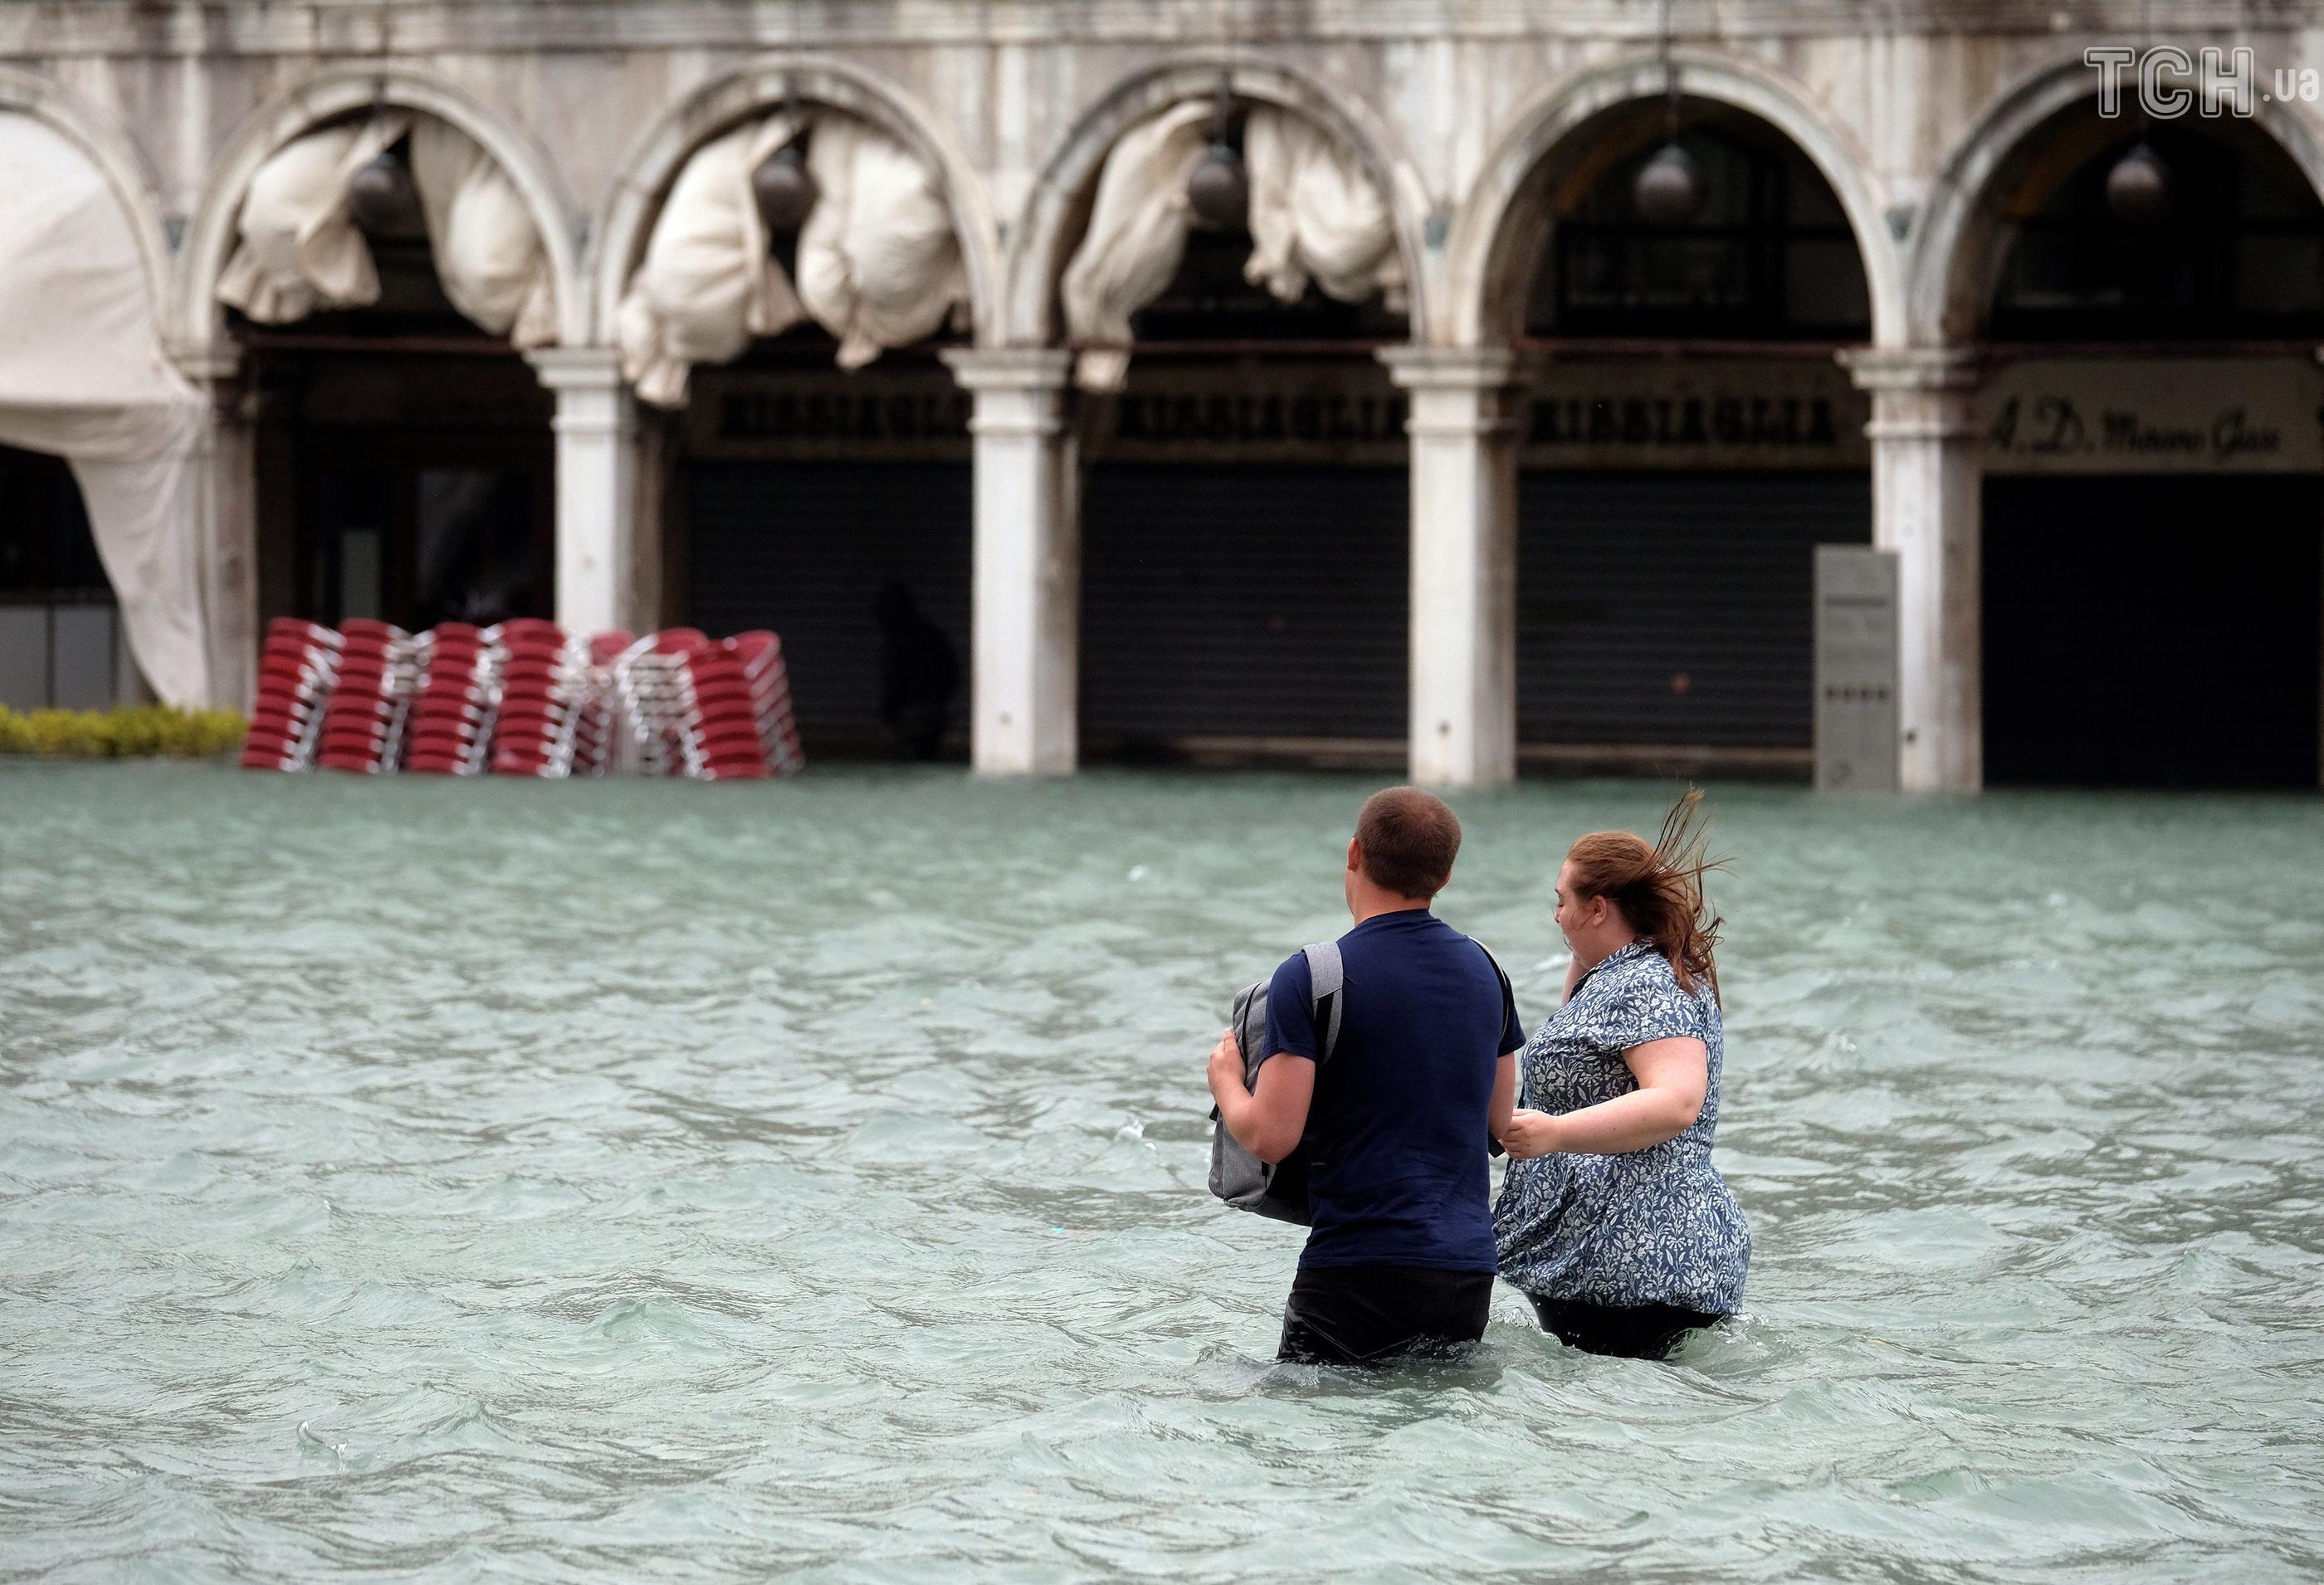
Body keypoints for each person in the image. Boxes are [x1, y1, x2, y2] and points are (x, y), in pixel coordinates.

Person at [1206, 787, 1525, 1367]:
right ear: (1446, 876)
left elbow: (1271, 1136)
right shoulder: (1488, 970)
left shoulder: (1312, 976)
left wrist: (1226, 1080)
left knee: (1308, 1434)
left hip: (1357, 1266)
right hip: (1467, 1271)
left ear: (1354, 853)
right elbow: (1500, 1126)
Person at [1492, 788, 1750, 1361]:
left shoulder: (1644, 985)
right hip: (1626, 1261)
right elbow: (1582, 1042)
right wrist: (1584, 952)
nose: (1556, 915)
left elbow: (1677, 1102)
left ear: (1599, 907)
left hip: (1637, 1265)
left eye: (1562, 902)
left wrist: (1555, 1134)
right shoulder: (1632, 972)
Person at [872, 579, 959, 760]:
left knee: (911, 761)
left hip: (916, 712)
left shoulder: (902, 642)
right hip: (929, 711)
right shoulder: (930, 637)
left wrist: (890, 717)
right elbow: (953, 676)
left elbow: (896, 683)